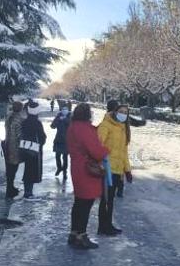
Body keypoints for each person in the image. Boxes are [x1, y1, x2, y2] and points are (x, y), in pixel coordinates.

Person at [67, 103, 109, 249]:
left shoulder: (73, 126)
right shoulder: (84, 128)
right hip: (87, 170)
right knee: (86, 203)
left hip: (77, 167)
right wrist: (105, 150)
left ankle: (73, 233)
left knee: (78, 202)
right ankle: (81, 235)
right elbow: (95, 150)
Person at [97, 103, 132, 235]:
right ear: (115, 111)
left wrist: (127, 170)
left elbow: (124, 152)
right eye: (121, 111)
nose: (123, 114)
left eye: (125, 112)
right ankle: (103, 227)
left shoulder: (123, 128)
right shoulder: (106, 125)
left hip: (118, 170)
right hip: (107, 168)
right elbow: (98, 145)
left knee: (110, 200)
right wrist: (102, 164)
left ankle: (108, 224)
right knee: (106, 199)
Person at [20, 100, 46, 201]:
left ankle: (28, 191)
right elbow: (42, 137)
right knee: (32, 171)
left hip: (25, 148)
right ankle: (28, 193)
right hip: (34, 150)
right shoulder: (37, 123)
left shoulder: (25, 121)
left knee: (28, 170)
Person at [4, 101, 25, 198]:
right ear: (20, 109)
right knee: (13, 168)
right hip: (14, 147)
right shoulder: (19, 119)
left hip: (7, 144)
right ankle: (10, 190)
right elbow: (19, 135)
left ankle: (10, 187)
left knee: (9, 168)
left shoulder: (9, 117)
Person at [51, 103, 71, 178]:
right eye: (63, 109)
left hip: (67, 140)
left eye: (66, 109)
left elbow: (71, 124)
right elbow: (52, 126)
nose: (64, 110)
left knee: (65, 157)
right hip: (58, 139)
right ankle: (59, 168)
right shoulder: (58, 116)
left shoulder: (70, 117)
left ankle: (64, 170)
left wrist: (65, 119)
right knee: (57, 155)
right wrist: (58, 119)